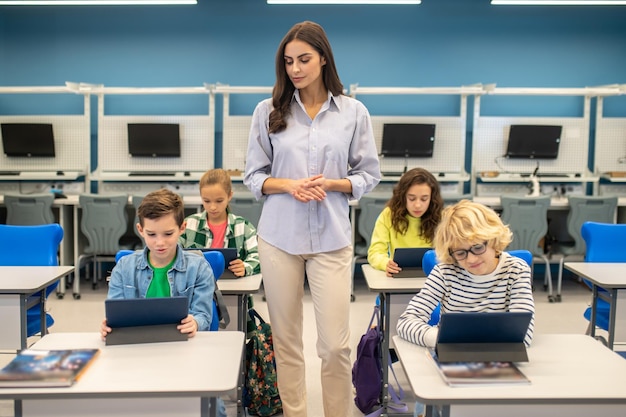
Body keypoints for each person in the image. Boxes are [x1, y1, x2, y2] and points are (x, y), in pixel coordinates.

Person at [244, 21, 380, 417]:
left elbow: (368, 173)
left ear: (323, 58)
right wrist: (288, 185)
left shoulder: (353, 112)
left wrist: (336, 183)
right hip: (278, 239)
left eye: (304, 59)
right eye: (288, 62)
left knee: (335, 346)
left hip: (332, 239)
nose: (296, 69)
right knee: (287, 343)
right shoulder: (268, 111)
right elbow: (254, 176)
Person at [100, 188, 226, 417]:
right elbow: (115, 312)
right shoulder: (123, 268)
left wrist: (195, 323)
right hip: (135, 353)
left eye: (168, 234)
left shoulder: (199, 268)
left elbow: (203, 315)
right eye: (152, 234)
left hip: (184, 352)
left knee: (212, 408)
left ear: (182, 228)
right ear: (140, 230)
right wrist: (109, 325)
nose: (160, 242)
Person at [396, 199, 535, 348]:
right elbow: (406, 322)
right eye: (460, 253)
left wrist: (470, 342)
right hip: (451, 350)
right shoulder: (444, 272)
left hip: (499, 355)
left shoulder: (516, 270)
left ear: (493, 239)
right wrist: (439, 338)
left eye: (477, 247)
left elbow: (523, 334)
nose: (471, 259)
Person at [179, 168, 261, 278]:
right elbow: (172, 254)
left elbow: (259, 257)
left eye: (219, 201)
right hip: (196, 287)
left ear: (230, 196)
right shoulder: (188, 225)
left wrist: (245, 267)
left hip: (234, 289)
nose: (212, 207)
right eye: (207, 201)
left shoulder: (244, 227)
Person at [367, 167, 443, 276]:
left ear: (432, 198)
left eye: (424, 199)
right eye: (412, 198)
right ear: (403, 196)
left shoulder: (441, 218)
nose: (417, 205)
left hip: (433, 278)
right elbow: (375, 252)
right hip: (399, 274)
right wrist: (386, 263)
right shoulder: (389, 215)